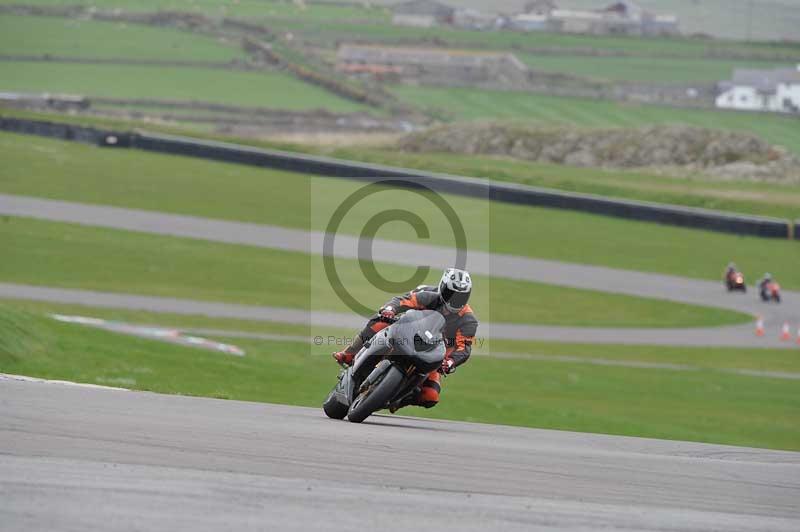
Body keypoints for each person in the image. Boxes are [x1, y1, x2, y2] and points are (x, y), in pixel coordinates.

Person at [333, 268, 478, 412]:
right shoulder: (428, 295)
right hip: (407, 332)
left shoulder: (468, 320)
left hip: (433, 351)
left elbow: (464, 348)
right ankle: (350, 353)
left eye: (460, 297)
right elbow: (402, 301)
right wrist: (390, 310)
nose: (454, 300)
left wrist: (450, 362)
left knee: (431, 396)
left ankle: (399, 400)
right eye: (450, 293)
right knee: (380, 322)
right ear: (442, 287)